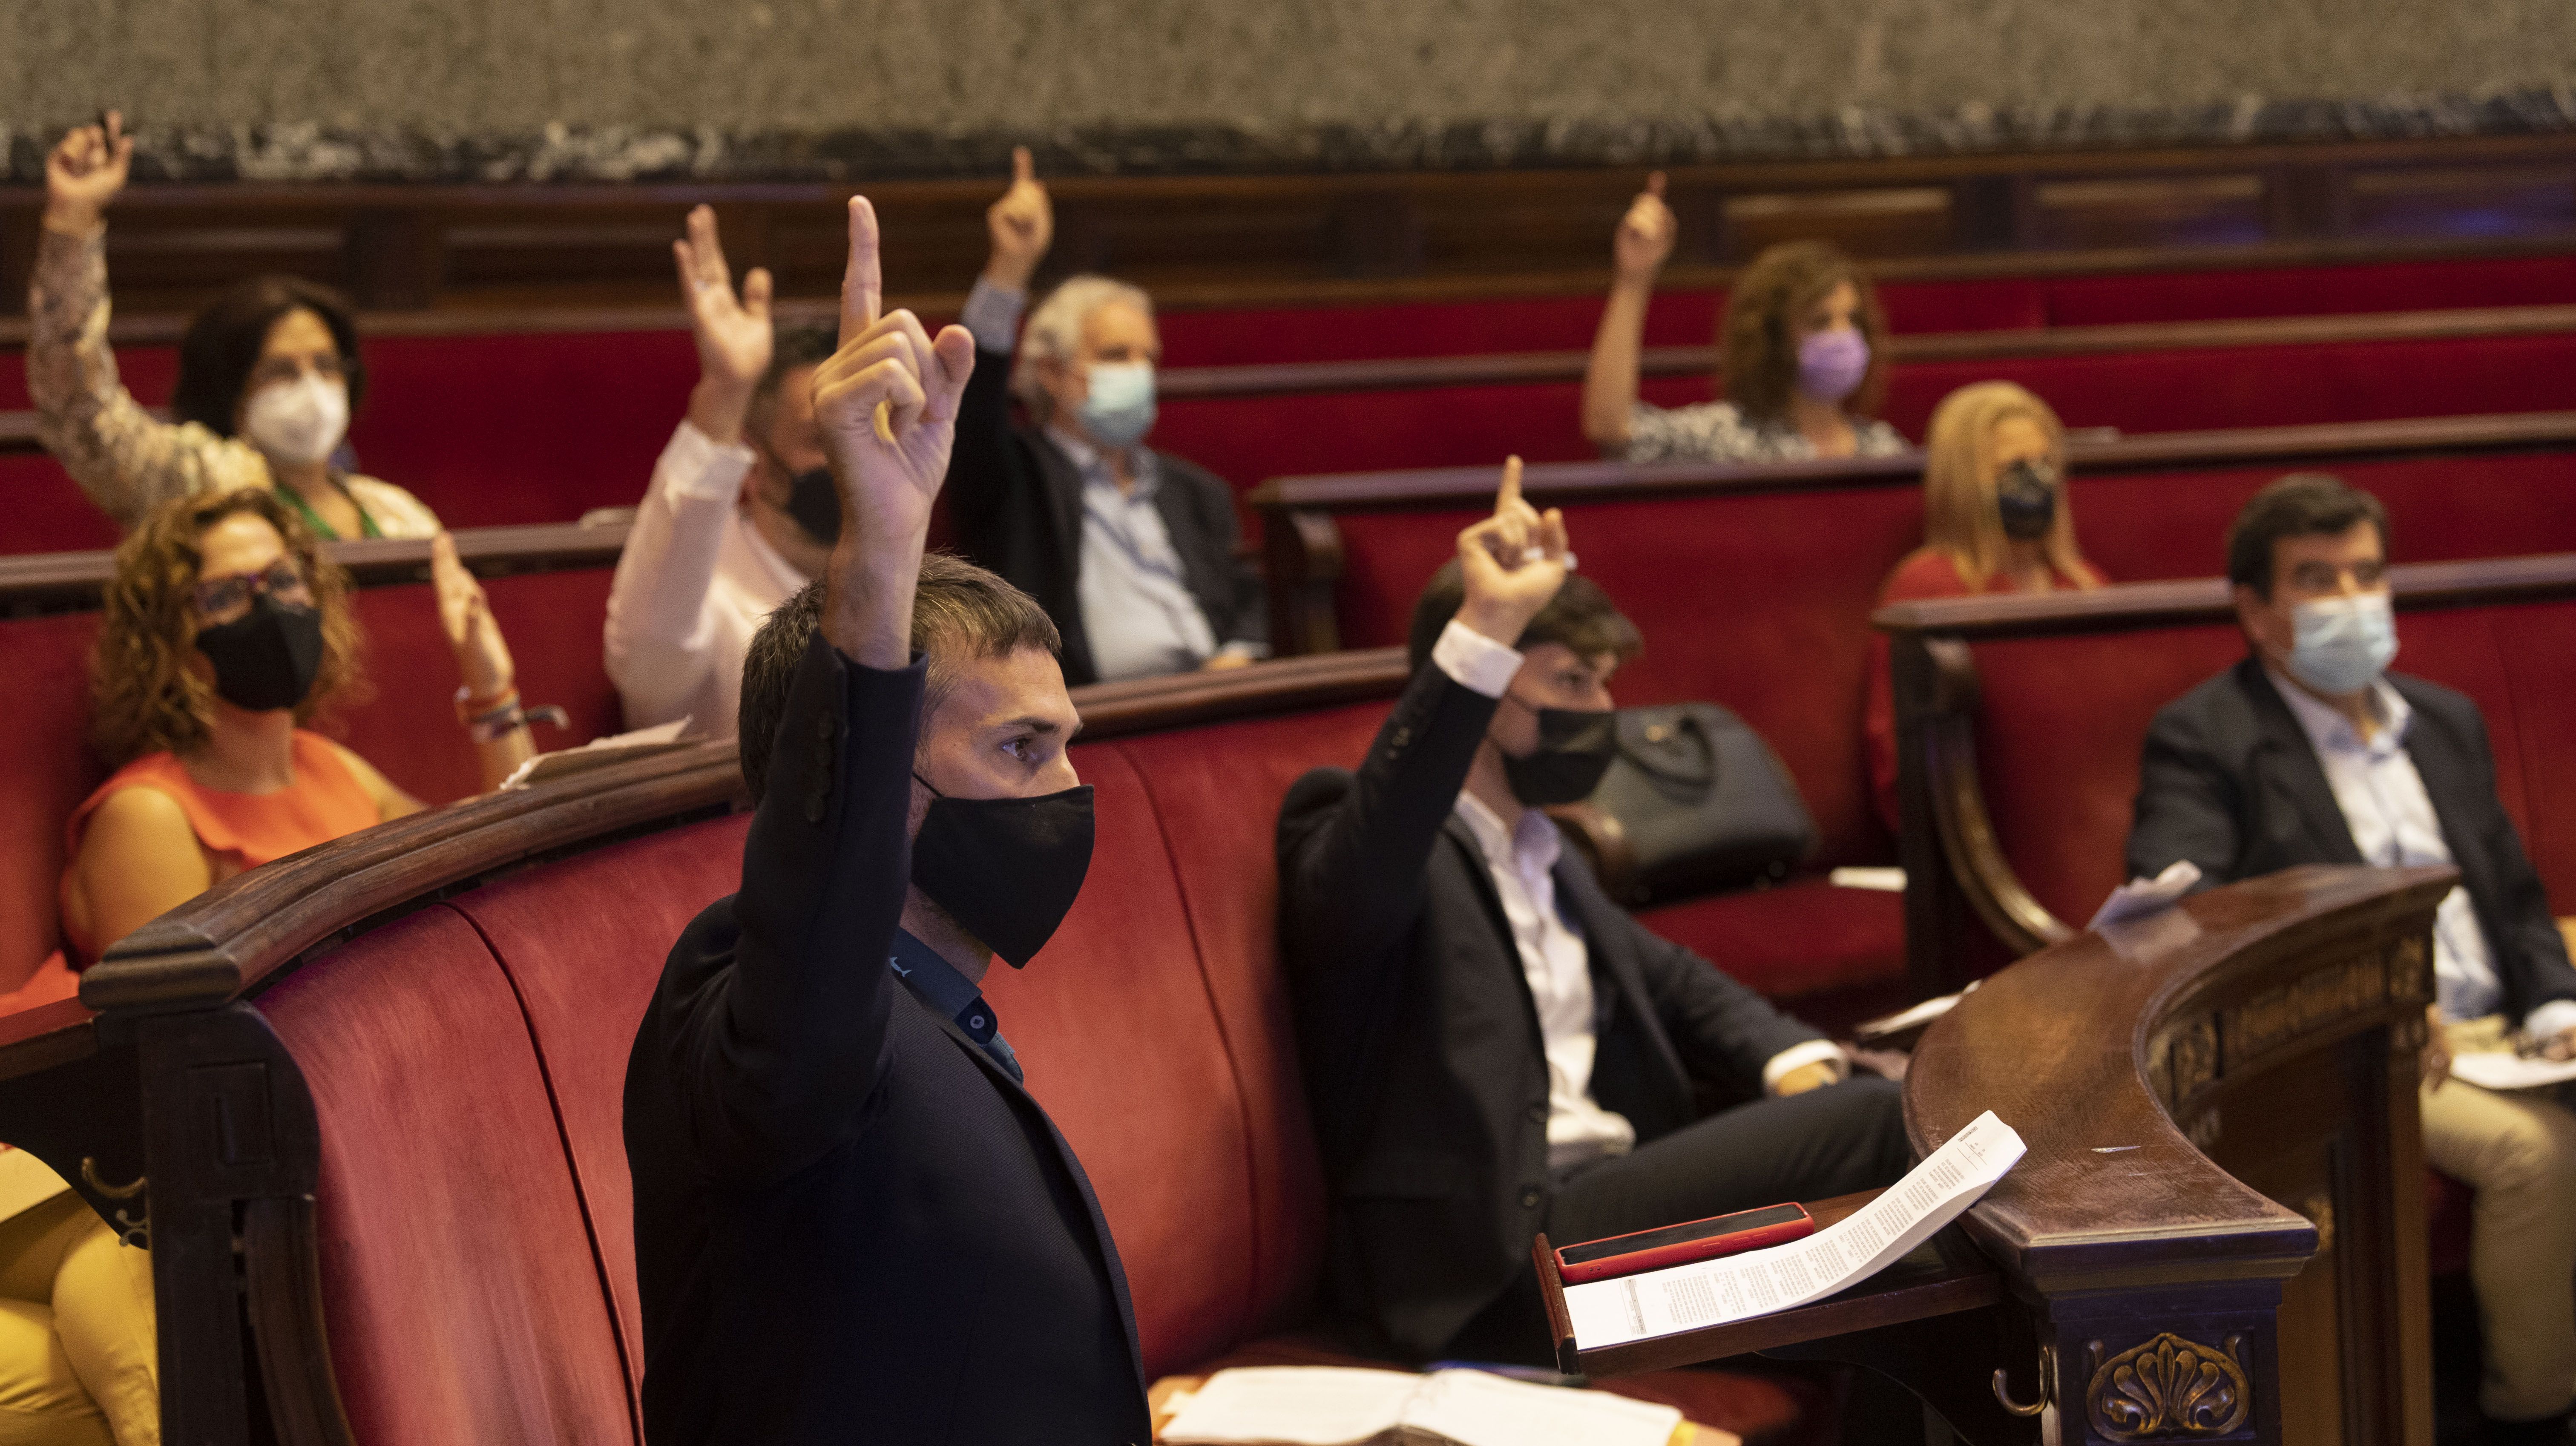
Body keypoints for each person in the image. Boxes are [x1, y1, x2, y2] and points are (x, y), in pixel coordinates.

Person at [623, 198, 1148, 1443]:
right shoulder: (767, 1003)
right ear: (881, 798)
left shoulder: (940, 1008)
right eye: (1021, 750)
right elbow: (817, 897)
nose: (1067, 792)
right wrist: (881, 550)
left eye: (1066, 744)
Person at [1275, 458, 1912, 1364]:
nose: (1602, 710)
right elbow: (1377, 851)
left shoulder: (1547, 850)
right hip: (1492, 1265)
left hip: (1598, 1209)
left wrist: (1791, 1058)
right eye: (1573, 682)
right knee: (1878, 1118)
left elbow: (1677, 980)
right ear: (1486, 692)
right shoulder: (1370, 834)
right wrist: (1486, 624)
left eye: (1605, 683)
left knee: (1894, 1297)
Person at [2126, 474, 2576, 1445]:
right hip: (2363, 1043)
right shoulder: (2205, 737)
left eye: (2367, 574)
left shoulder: (2442, 721)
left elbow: (2515, 899)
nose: (2353, 600)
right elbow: (2192, 918)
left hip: (2505, 1034)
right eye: (2317, 580)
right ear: (2255, 610)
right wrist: (2382, 997)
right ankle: (2535, 1416)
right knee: (2536, 1156)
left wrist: (2557, 1011)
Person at [59, 488, 534, 969]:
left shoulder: (328, 765)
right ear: (170, 639)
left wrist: (491, 688)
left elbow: (495, 856)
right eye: (226, 595)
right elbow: (168, 1008)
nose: (269, 607)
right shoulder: (148, 814)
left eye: (284, 579)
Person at [30, 113, 440, 541]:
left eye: (326, 365)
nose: (312, 388)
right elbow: (81, 410)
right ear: (232, 391)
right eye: (281, 371)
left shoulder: (396, 511)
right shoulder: (195, 484)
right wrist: (73, 220)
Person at [945, 149, 1266, 684]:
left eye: (1148, 358)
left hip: (1216, 696)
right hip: (1096, 713)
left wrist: (1240, 653)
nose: (1139, 372)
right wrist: (1009, 270)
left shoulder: (1195, 490)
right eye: (1116, 355)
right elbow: (971, 403)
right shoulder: (1014, 479)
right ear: (1050, 372)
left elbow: (1250, 599)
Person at [604, 205, 836, 733]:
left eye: (865, 435)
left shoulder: (907, 585)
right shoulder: (707, 596)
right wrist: (725, 396)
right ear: (755, 462)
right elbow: (646, 658)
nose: (850, 462)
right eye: (821, 441)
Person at [1865, 381, 2105, 834]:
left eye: (2043, 464)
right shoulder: (1928, 590)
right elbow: (1898, 757)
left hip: (2086, 818)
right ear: (1963, 483)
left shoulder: (2085, 585)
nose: (2034, 481)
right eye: (2012, 468)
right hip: (1977, 829)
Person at [1582, 173, 1907, 464]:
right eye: (1820, 322)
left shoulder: (1883, 450)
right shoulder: (1728, 440)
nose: (1843, 335)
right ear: (1773, 336)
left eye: (1853, 319)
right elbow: (1612, 429)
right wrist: (1634, 280)